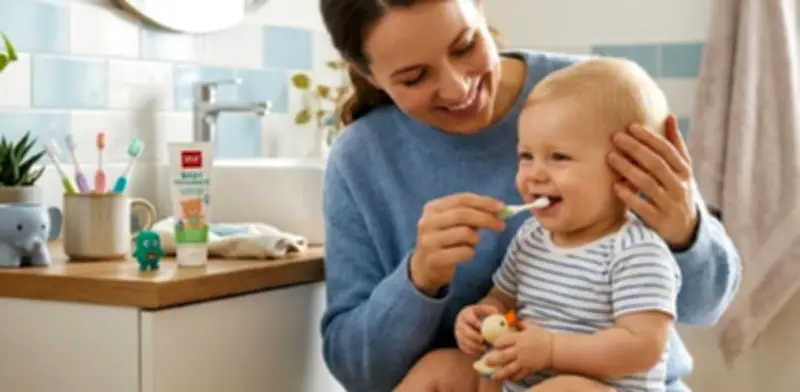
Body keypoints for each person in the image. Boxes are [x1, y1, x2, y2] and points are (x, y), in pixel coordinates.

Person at [317, 0, 742, 391]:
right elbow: (360, 374)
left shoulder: (596, 98)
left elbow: (704, 308)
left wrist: (684, 230)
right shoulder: (360, 159)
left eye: (464, 46)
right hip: (512, 379)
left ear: (480, 8)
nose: (457, 87)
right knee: (441, 369)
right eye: (415, 77)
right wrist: (421, 278)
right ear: (371, 75)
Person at [455, 57, 682, 392]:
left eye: (558, 157)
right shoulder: (532, 237)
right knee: (441, 367)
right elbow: (502, 299)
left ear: (627, 171)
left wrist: (550, 350)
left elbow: (642, 347)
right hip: (526, 384)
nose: (534, 174)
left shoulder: (636, 251)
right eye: (526, 156)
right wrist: (482, 317)